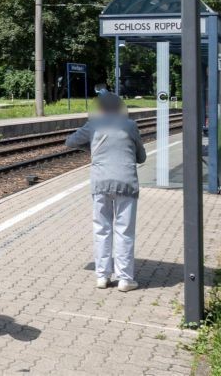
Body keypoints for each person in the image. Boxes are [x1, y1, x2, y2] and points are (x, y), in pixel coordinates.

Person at [65, 91, 147, 292]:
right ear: (120, 108)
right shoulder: (130, 125)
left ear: (100, 108)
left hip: (101, 182)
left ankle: (102, 276)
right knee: (124, 230)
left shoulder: (94, 124)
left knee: (102, 229)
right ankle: (125, 279)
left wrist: (94, 148)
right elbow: (142, 157)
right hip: (126, 182)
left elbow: (70, 142)